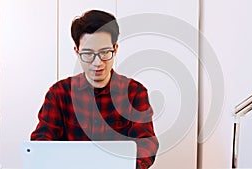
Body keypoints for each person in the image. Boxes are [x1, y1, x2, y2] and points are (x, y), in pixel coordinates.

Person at [30, 9, 159, 169]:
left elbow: (146, 145)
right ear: (77, 51)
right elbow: (41, 143)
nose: (97, 63)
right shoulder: (59, 94)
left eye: (105, 52)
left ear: (115, 49)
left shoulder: (134, 93)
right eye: (88, 53)